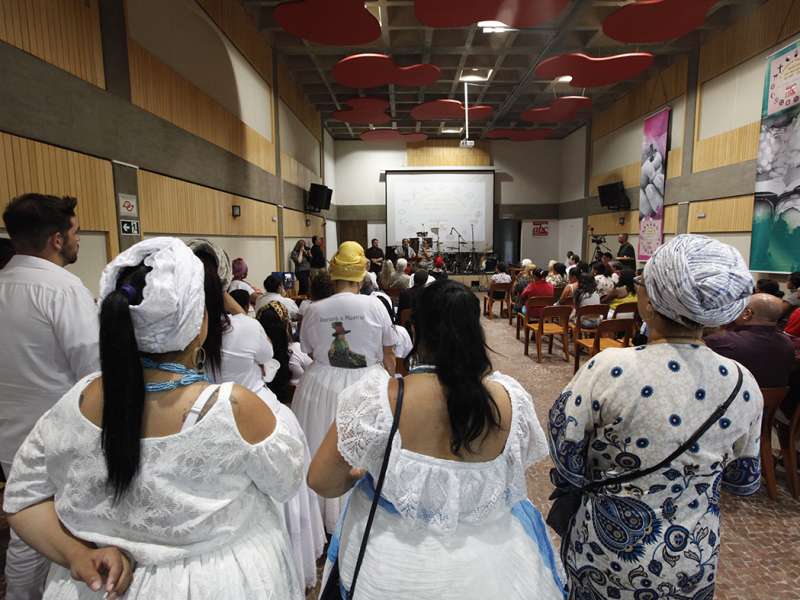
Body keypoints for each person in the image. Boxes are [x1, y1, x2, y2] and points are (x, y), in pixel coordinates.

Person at [4, 237, 306, 599]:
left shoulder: (80, 398)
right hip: (214, 584)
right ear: (199, 322)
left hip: (99, 584)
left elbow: (21, 498)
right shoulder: (233, 408)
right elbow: (286, 484)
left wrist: (77, 554)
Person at [309, 280, 565, 599]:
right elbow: (510, 472)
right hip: (490, 566)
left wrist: (362, 472)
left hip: (393, 565)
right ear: (476, 332)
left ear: (416, 331)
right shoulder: (511, 400)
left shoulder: (376, 399)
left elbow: (321, 480)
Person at [549, 234, 761, 600]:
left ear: (649, 301)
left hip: (607, 556)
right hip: (693, 554)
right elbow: (742, 479)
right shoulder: (743, 382)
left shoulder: (609, 368)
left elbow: (566, 457)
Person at [0, 193, 100, 599]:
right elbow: (93, 370)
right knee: (66, 529)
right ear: (57, 240)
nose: (78, 241)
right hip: (60, 434)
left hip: (9, 432)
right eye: (75, 233)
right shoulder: (62, 289)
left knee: (25, 522)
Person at [291, 241, 396, 532]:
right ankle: (365, 512)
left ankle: (321, 515)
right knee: (367, 447)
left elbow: (308, 349)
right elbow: (389, 352)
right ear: (361, 275)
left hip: (321, 383)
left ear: (333, 273)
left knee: (318, 441)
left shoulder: (314, 309)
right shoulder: (376, 305)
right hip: (367, 382)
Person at [705, 293, 795, 389]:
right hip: (772, 398)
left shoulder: (720, 341)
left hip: (731, 396)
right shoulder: (788, 343)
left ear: (747, 313)